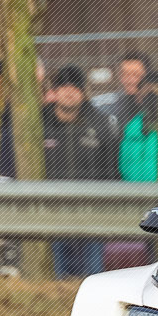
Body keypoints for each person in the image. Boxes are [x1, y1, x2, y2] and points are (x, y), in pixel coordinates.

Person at [42, 64, 119, 277]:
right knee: (56, 274)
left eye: (75, 87)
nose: (69, 92)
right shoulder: (39, 123)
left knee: (93, 272)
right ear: (55, 91)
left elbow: (111, 168)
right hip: (51, 210)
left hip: (91, 209)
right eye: (63, 86)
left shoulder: (101, 123)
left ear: (83, 92)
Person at [108, 51, 151, 131]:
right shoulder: (111, 108)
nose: (130, 80)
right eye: (125, 74)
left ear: (147, 76)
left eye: (136, 75)